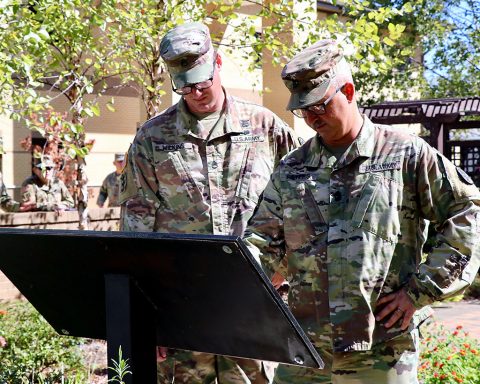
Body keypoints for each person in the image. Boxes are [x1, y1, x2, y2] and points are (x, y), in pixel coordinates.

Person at [244, 40, 480, 383]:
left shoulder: (405, 155)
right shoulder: (291, 168)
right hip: (306, 353)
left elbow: (467, 211)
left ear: (349, 90)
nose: (311, 117)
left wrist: (421, 291)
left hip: (381, 352)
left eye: (320, 104)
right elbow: (262, 242)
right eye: (303, 109)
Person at [119, 22, 299, 384]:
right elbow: (136, 227)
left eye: (202, 82)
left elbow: (302, 207)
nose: (196, 93)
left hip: (254, 302)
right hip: (182, 307)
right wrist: (148, 312)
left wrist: (286, 274)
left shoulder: (266, 127)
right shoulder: (152, 139)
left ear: (218, 63)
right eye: (185, 86)